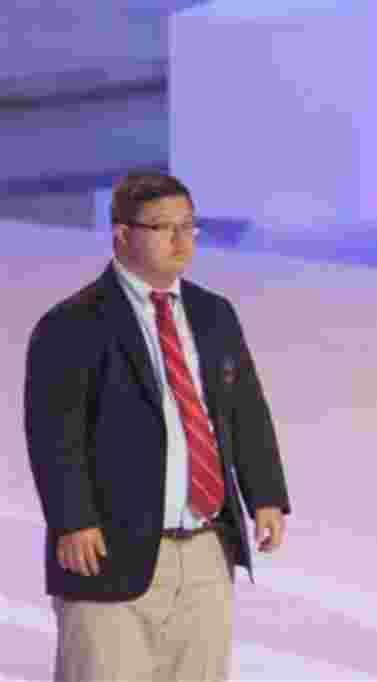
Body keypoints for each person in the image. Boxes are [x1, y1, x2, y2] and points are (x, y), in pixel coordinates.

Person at [23, 172, 291, 682]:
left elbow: (244, 411)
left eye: (189, 226)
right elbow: (54, 432)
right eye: (163, 228)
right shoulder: (73, 323)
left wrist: (266, 495)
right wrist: (71, 519)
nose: (181, 240)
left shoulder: (214, 314)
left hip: (207, 549)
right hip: (108, 554)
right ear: (122, 234)